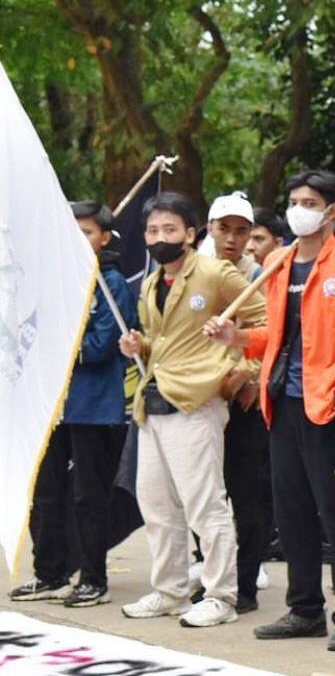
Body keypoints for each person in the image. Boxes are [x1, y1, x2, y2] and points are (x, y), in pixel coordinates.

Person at [204, 169, 335, 651]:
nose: (298, 207)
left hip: (329, 406)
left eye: (309, 200)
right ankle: (304, 609)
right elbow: (274, 338)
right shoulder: (277, 262)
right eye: (293, 199)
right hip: (280, 402)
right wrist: (235, 337)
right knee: (292, 512)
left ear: (331, 210)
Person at [118, 192, 266, 628]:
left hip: (197, 401)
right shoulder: (151, 281)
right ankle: (170, 590)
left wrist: (243, 371)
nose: (159, 237)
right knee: (157, 505)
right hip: (154, 401)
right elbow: (161, 342)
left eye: (169, 229)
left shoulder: (215, 272)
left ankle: (221, 595)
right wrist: (138, 345)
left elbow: (267, 321)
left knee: (206, 506)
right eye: (152, 230)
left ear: (189, 233)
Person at [8, 201, 137, 608]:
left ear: (104, 238)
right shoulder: (49, 280)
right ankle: (48, 572)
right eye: (71, 232)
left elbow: (101, 345)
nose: (77, 240)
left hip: (92, 405)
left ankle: (93, 578)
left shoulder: (109, 283)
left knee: (88, 494)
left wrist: (58, 347)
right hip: (49, 403)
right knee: (45, 492)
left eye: (86, 233)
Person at [206, 192, 270, 614]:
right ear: (209, 229)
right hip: (203, 399)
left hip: (246, 401)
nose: (232, 238)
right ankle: (213, 576)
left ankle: (245, 584)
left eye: (241, 231)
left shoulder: (261, 276)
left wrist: (251, 375)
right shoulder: (196, 272)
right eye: (223, 228)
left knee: (249, 498)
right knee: (207, 495)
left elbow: (273, 333)